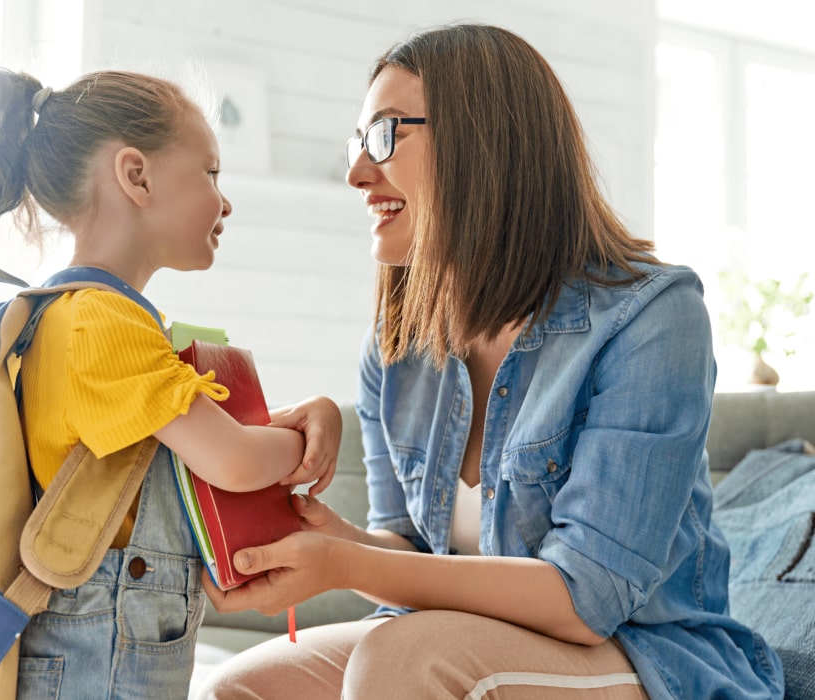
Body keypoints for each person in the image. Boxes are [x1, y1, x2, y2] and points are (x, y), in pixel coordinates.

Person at [197, 24, 784, 700]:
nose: (359, 173)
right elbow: (412, 554)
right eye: (357, 142)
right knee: (239, 687)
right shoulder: (394, 348)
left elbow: (586, 595)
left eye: (385, 136)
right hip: (464, 637)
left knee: (401, 660)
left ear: (484, 145)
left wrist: (340, 562)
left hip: (646, 656)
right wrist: (325, 536)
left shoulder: (652, 318)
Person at [0, 67, 342, 699]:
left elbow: (187, 440)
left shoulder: (83, 317)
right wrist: (310, 442)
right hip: (96, 653)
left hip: (105, 638)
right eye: (211, 173)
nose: (225, 199)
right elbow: (235, 460)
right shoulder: (103, 323)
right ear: (136, 175)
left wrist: (306, 412)